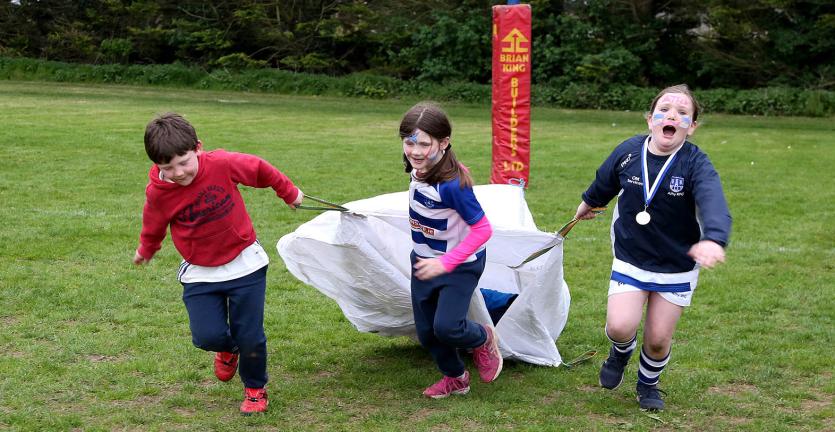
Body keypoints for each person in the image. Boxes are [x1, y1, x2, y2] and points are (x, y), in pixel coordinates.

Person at [132, 112, 304, 414]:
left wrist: (289, 193)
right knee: (206, 336)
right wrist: (147, 249)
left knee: (250, 335)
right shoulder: (159, 192)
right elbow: (154, 223)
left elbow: (260, 169)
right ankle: (228, 348)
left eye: (184, 162)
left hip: (245, 264)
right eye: (167, 168)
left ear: (198, 148)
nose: (178, 173)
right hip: (201, 272)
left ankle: (255, 389)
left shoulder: (222, 164)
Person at [573, 85, 731, 411]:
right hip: (631, 255)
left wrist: (713, 238)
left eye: (682, 113)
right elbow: (605, 181)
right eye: (664, 110)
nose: (672, 115)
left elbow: (713, 200)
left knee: (658, 340)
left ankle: (647, 384)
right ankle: (620, 352)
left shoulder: (695, 163)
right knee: (620, 326)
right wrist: (588, 202)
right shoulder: (629, 152)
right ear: (650, 120)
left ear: (691, 126)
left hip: (677, 263)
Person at [400, 102, 503, 399]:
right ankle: (456, 378)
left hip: (459, 266)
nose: (415, 151)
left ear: (444, 143)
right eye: (409, 142)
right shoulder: (418, 168)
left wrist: (447, 262)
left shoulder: (453, 185)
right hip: (423, 263)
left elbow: (483, 230)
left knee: (447, 327)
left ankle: (483, 337)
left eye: (424, 144)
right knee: (427, 333)